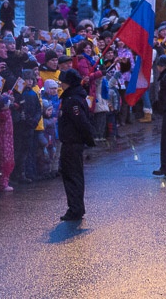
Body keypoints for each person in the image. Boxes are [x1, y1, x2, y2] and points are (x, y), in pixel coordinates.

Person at [56, 69, 95, 221]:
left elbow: (81, 122)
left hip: (72, 142)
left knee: (72, 176)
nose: (61, 84)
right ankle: (76, 207)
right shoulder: (73, 97)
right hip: (72, 142)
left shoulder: (72, 100)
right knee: (73, 175)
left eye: (63, 82)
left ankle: (75, 208)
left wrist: (89, 138)